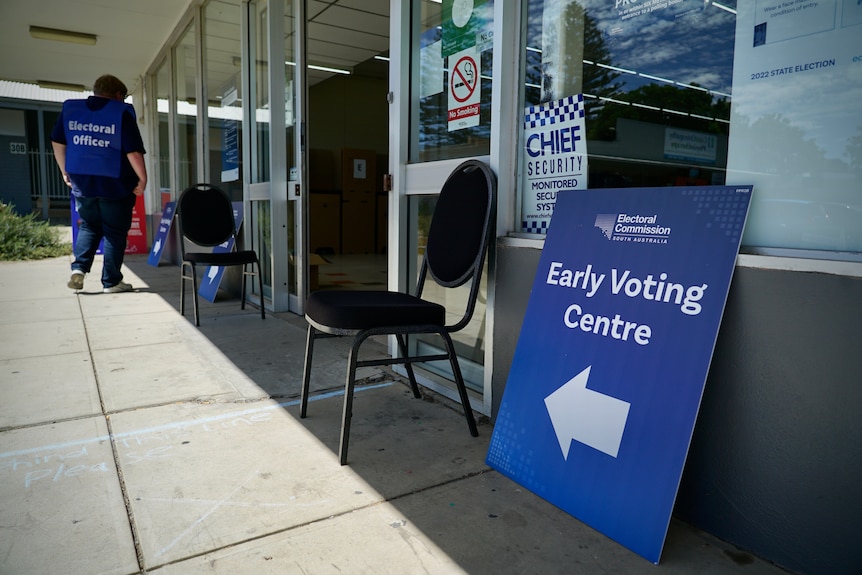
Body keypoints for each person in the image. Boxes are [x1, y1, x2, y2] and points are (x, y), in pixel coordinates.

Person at [51, 74, 147, 293]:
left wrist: (64, 169)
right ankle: (111, 281)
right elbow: (133, 152)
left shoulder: (72, 112)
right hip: (116, 185)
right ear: (118, 95)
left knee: (90, 225)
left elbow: (57, 141)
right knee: (114, 232)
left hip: (83, 183)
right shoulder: (120, 113)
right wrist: (142, 179)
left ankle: (78, 269)